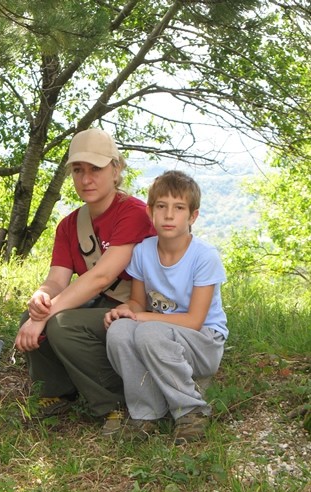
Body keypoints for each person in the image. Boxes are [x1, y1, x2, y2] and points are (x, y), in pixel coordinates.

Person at [15, 128, 156, 430]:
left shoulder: (133, 213)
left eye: (96, 169)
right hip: (104, 305)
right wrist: (42, 297)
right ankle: (58, 392)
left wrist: (46, 317)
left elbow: (102, 276)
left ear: (116, 170)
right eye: (78, 170)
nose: (86, 179)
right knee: (32, 314)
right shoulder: (69, 226)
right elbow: (57, 280)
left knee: (62, 326)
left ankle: (114, 402)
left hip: (137, 309)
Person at [104, 170, 228, 444]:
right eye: (161, 206)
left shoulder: (204, 256)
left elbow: (195, 320)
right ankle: (146, 413)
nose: (169, 215)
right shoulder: (143, 251)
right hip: (161, 334)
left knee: (148, 331)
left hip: (203, 341)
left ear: (192, 216)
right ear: (150, 212)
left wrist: (140, 316)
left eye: (179, 208)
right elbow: (137, 301)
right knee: (120, 330)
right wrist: (125, 310)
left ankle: (191, 410)